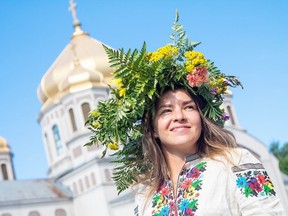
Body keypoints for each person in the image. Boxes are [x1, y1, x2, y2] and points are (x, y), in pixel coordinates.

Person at [85, 11, 284, 215]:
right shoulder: (146, 195)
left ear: (201, 117)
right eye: (166, 111)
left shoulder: (235, 162)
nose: (179, 116)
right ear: (152, 128)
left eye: (188, 107)